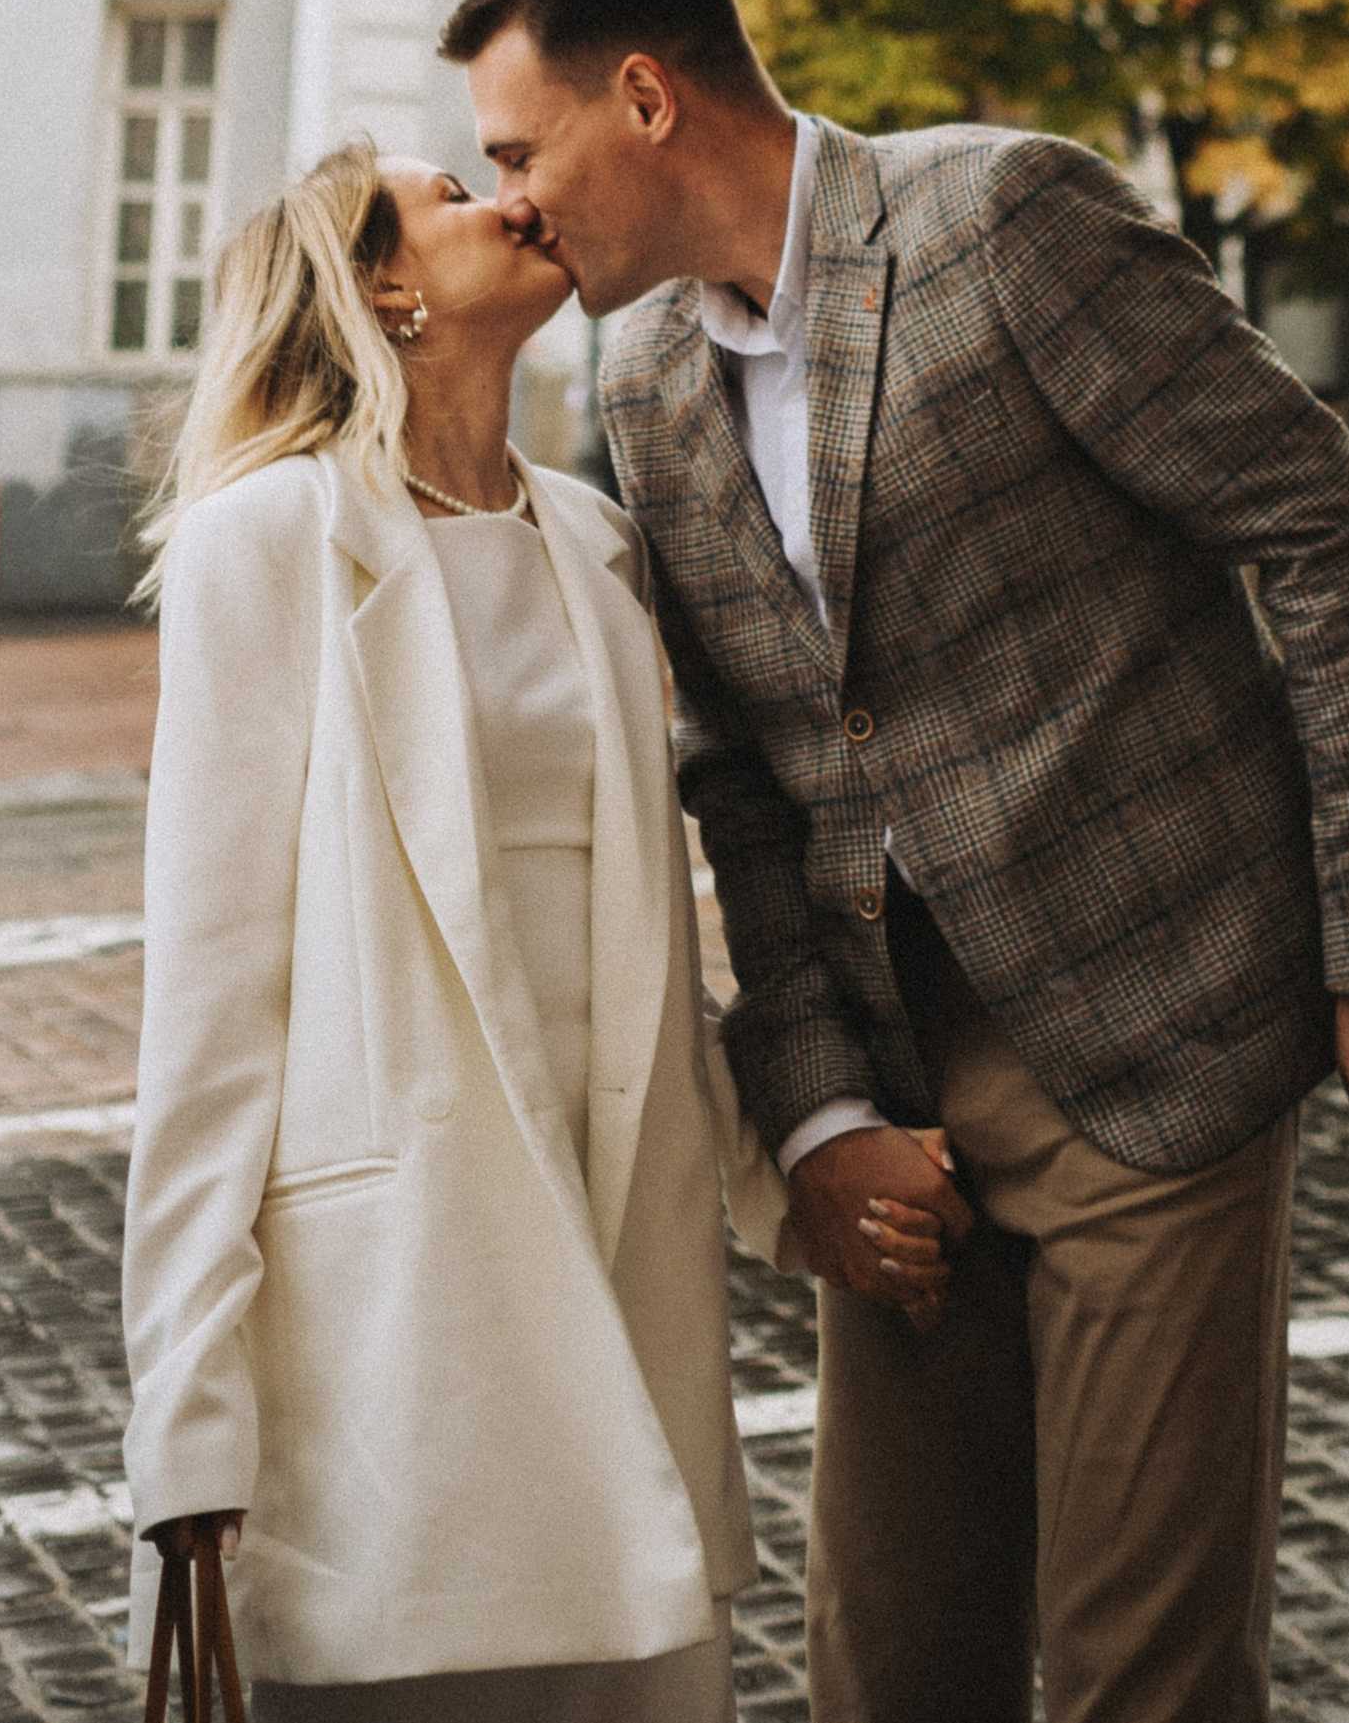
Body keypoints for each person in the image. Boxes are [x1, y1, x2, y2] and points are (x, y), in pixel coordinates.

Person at [444, 0, 1349, 1723]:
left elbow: (1329, 536)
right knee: (892, 1664)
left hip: (1166, 1039)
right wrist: (824, 1111)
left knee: (1138, 1679)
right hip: (898, 1106)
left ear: (644, 95)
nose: (516, 202)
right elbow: (745, 781)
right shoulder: (638, 382)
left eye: (520, 152)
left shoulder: (1001, 219)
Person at [118, 136, 950, 1722]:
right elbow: (210, 1009)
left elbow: (647, 950)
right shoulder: (270, 539)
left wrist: (795, 1174)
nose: (511, 200)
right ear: (383, 283)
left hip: (615, 1247)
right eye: (453, 193)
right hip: (398, 1314)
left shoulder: (596, 540)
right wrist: (189, 1417)